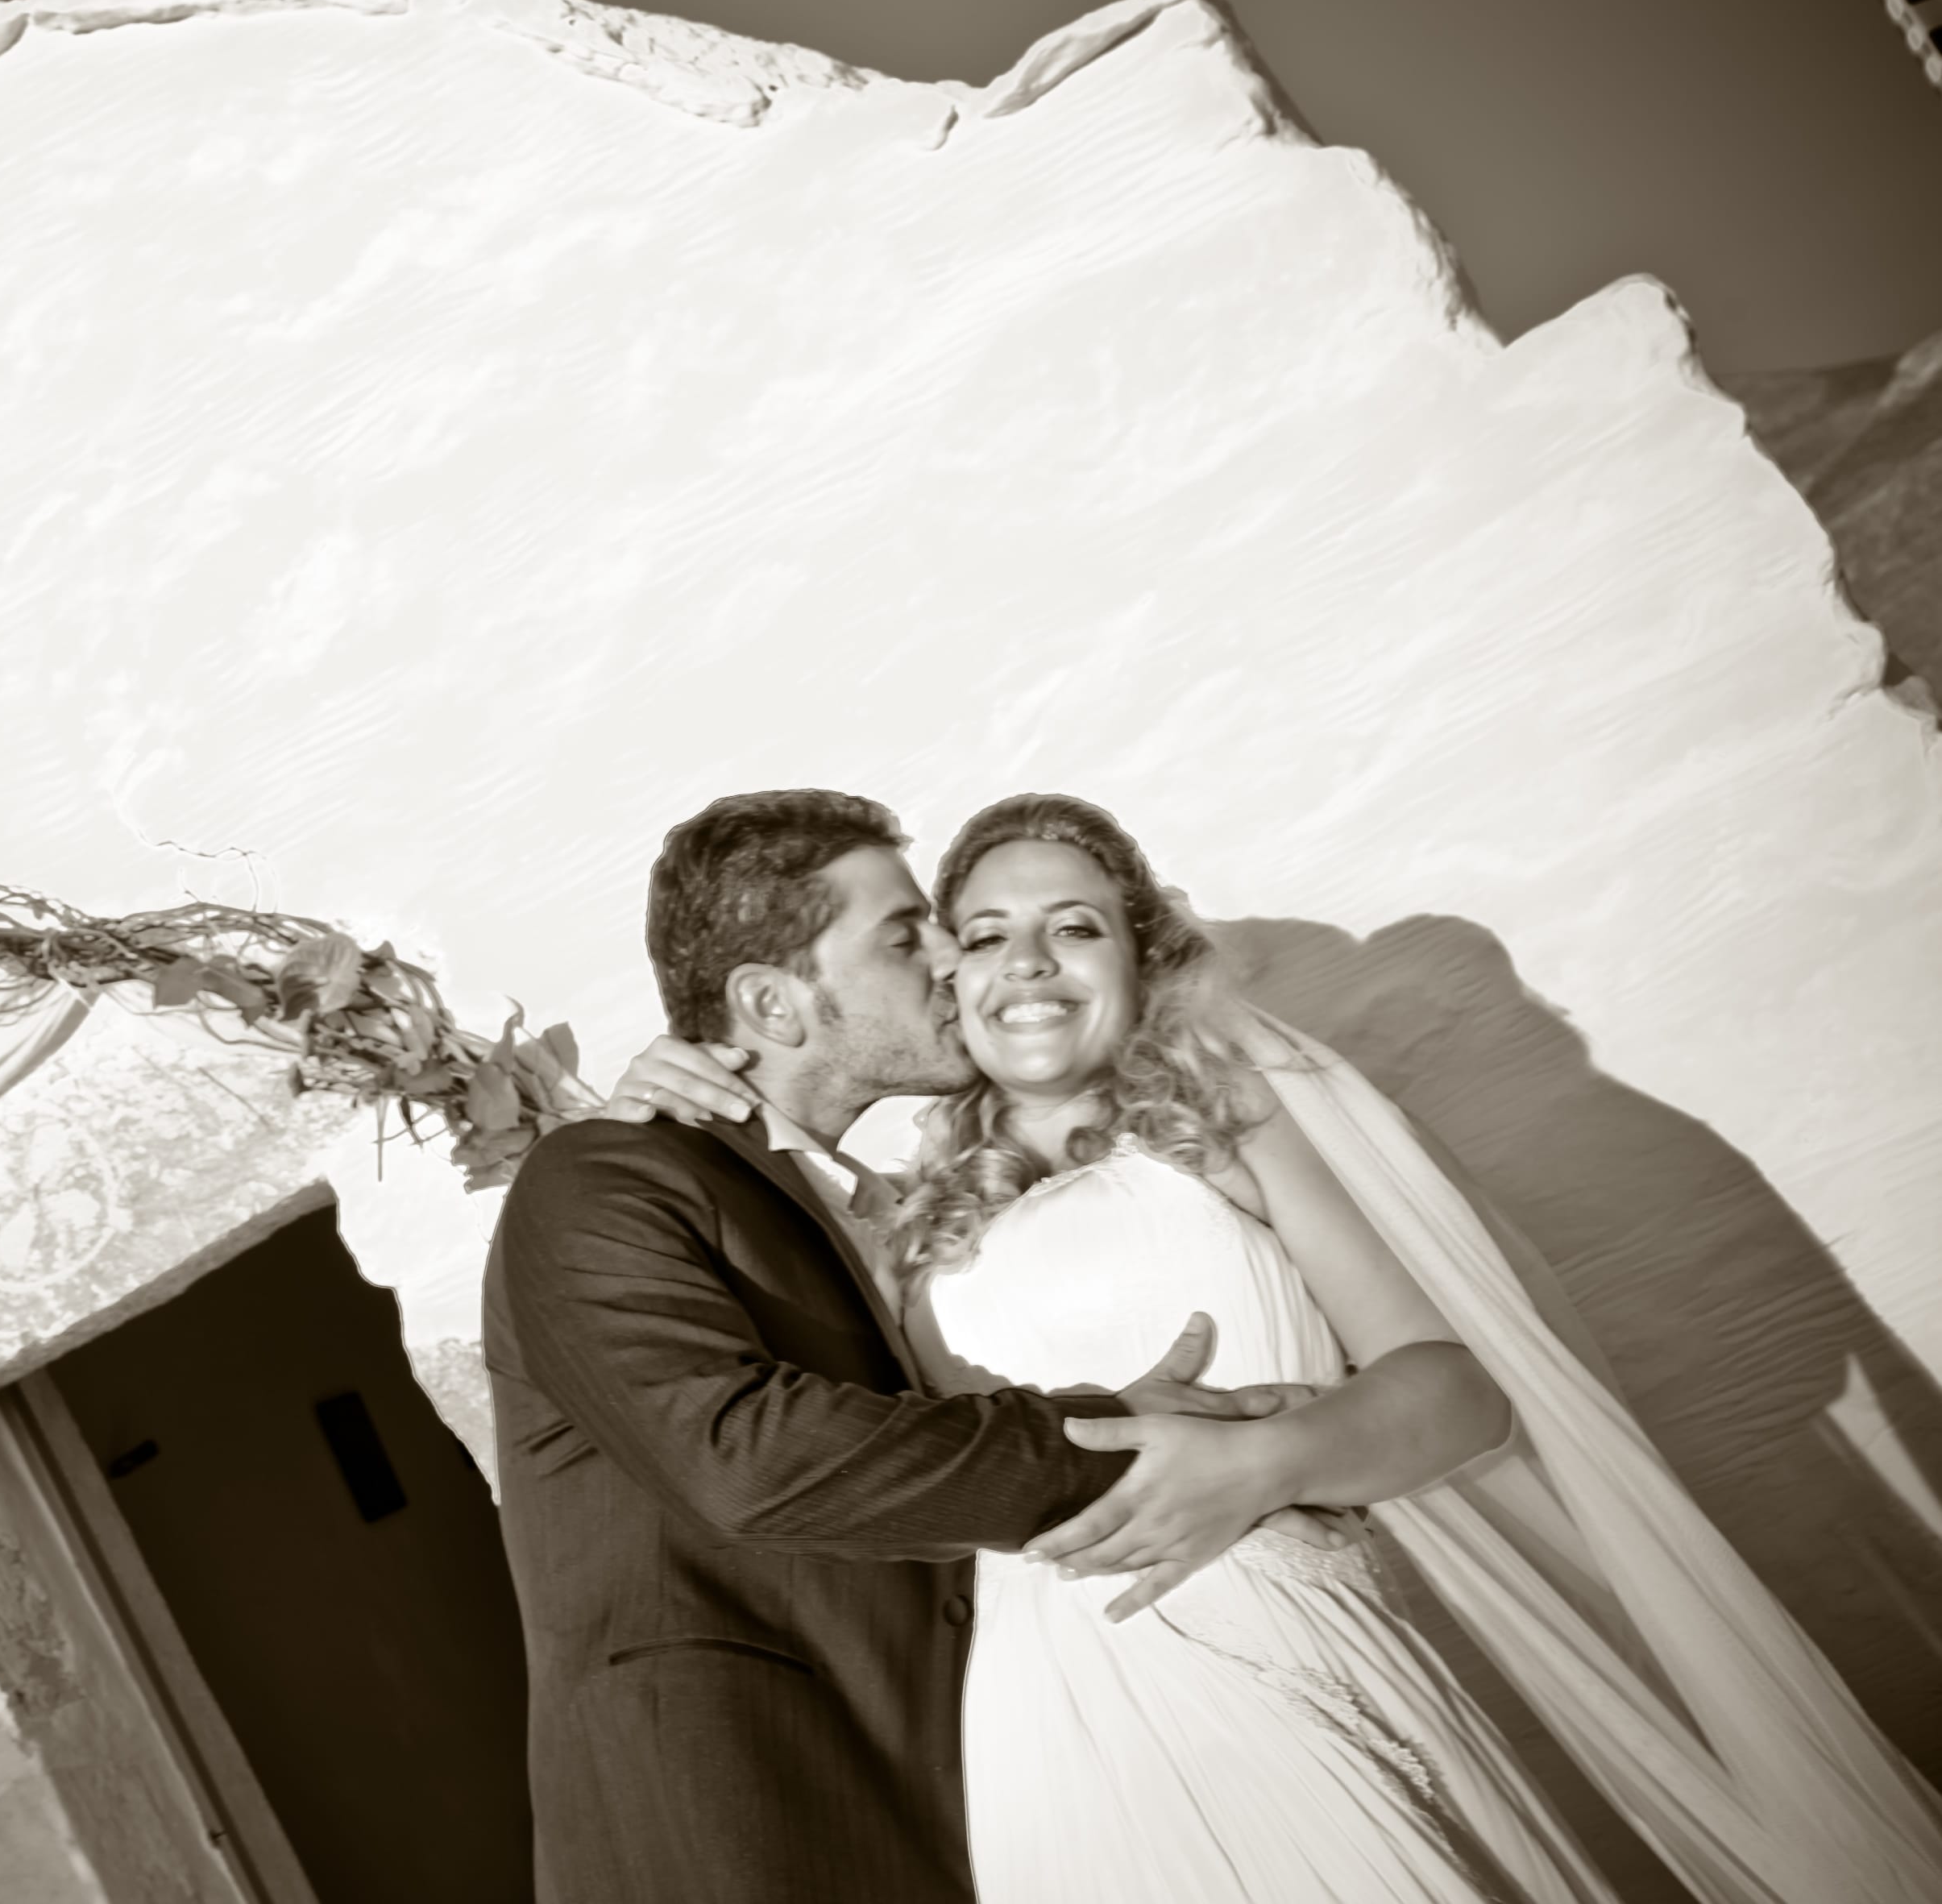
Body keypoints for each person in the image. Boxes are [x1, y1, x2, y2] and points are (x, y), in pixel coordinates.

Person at [609, 790, 1942, 1903]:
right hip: (1046, 1714)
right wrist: (645, 1097)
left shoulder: (1223, 1120)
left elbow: (1458, 1396)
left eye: (1072, 926)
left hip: (1289, 1640)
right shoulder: (901, 1212)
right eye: (975, 932)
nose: (1022, 961)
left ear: (1141, 957)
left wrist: (1262, 1460)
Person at [482, 789, 1346, 1904]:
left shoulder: (887, 1207)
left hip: (964, 1797)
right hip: (725, 1816)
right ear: (770, 1003)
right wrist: (1132, 1440)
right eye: (904, 934)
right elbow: (739, 1456)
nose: (949, 957)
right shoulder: (602, 1174)